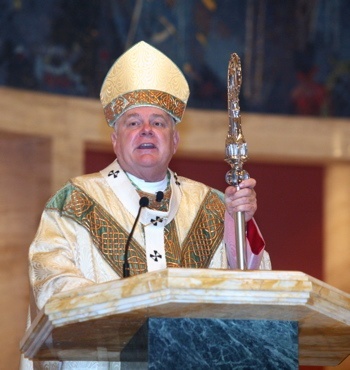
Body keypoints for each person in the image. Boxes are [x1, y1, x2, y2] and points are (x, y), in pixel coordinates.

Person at [20, 41, 271, 370]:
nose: (146, 130)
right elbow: (52, 288)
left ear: (175, 140)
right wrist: (132, 306)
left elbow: (253, 288)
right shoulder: (74, 202)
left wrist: (239, 225)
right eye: (133, 122)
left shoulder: (213, 206)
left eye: (158, 122)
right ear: (115, 139)